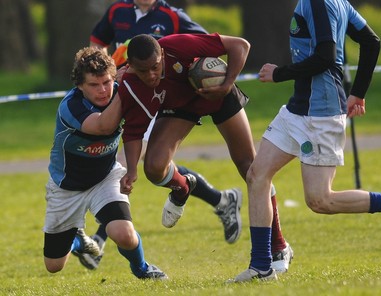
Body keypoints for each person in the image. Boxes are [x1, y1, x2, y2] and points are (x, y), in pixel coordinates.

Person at [76, 0, 293, 272]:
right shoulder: (132, 83)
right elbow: (133, 131)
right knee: (154, 168)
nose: (151, 75)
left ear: (162, 56)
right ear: (130, 66)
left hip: (217, 96)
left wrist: (226, 85)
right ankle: (182, 187)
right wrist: (132, 171)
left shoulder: (178, 44)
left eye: (155, 67)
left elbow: (240, 45)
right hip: (180, 107)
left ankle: (279, 245)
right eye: (143, 70)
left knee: (251, 169)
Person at [229, 0, 381, 283]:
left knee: (321, 200)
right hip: (297, 109)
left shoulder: (320, 2)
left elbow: (326, 56)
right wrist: (358, 92)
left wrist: (279, 74)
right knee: (257, 176)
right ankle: (261, 266)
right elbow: (371, 41)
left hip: (320, 114)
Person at [43, 47, 167, 280]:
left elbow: (134, 133)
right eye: (94, 85)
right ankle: (78, 240)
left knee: (124, 234)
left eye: (107, 82)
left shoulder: (121, 91)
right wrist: (125, 90)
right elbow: (103, 126)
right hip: (66, 186)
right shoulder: (71, 106)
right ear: (80, 85)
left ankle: (142, 269)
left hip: (105, 177)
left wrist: (131, 170)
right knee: (54, 265)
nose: (102, 90)